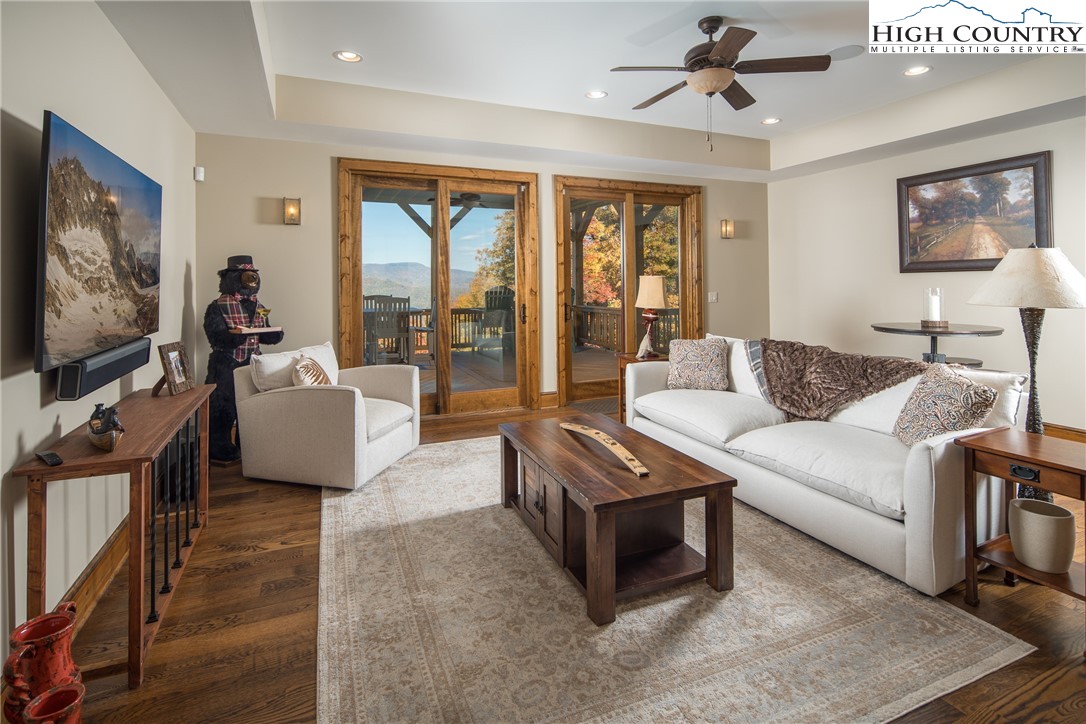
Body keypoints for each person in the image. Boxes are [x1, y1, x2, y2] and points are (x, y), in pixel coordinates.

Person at [203, 255, 284, 462]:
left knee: (251, 408)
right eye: (245, 275)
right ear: (232, 277)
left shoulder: (258, 305)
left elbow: (263, 332)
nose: (251, 280)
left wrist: (273, 335)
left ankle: (248, 446)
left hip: (253, 363)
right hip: (226, 364)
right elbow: (215, 336)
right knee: (222, 407)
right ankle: (218, 449)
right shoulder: (218, 306)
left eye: (253, 275)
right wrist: (236, 337)